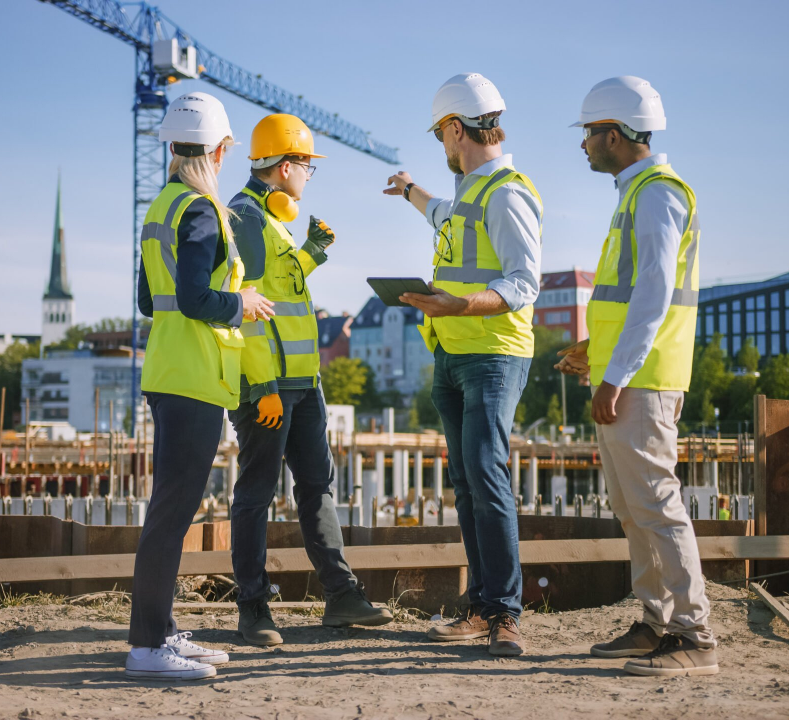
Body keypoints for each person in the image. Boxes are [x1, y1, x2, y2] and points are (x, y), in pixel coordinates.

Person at [556, 76, 717, 677]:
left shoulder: (655, 194)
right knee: (632, 506)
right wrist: (592, 348)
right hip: (631, 372)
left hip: (643, 381)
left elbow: (653, 296)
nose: (584, 146)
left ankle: (694, 635)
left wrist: (613, 375)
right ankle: (655, 622)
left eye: (590, 134)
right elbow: (631, 300)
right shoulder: (636, 194)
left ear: (618, 135)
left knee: (656, 503)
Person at [382, 73, 543, 657]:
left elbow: (525, 282)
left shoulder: (506, 192)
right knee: (468, 483)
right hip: (452, 356)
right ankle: (481, 606)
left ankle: (505, 613)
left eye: (441, 137)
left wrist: (458, 304)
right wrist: (409, 191)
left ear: (456, 130)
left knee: (486, 475)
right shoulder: (471, 192)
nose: (441, 147)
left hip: (494, 355)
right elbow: (441, 213)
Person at [125, 91, 276, 681]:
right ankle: (146, 647)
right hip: (193, 380)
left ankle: (159, 632)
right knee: (172, 513)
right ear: (218, 149)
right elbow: (193, 299)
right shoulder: (201, 209)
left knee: (171, 508)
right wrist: (241, 301)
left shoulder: (162, 205)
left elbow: (149, 299)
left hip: (168, 373)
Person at [227, 114, 392, 645]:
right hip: (269, 389)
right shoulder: (247, 217)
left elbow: (281, 290)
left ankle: (341, 597)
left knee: (317, 488)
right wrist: (263, 386)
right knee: (254, 494)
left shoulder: (273, 221)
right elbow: (247, 308)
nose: (308, 176)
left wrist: (312, 254)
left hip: (304, 384)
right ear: (285, 165)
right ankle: (253, 609)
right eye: (307, 167)